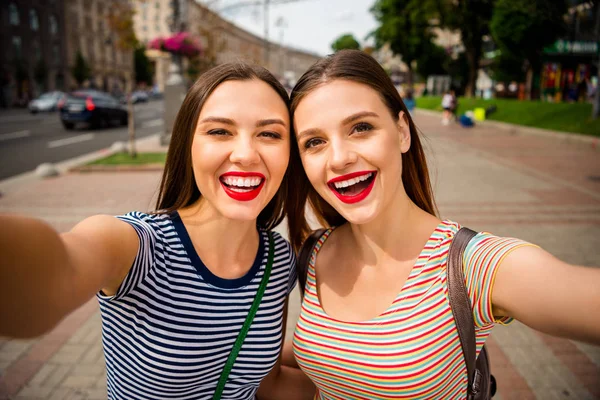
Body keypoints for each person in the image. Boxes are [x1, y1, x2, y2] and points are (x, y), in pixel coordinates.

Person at [284, 50, 600, 399]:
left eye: (361, 128)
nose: (339, 157)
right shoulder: (313, 251)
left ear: (402, 132)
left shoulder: (471, 266)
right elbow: (330, 367)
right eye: (314, 142)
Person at [0, 62, 314, 400]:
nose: (245, 154)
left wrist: (363, 376)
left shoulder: (278, 258)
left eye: (269, 134)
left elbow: (268, 386)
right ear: (187, 144)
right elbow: (57, 272)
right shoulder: (139, 245)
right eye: (220, 131)